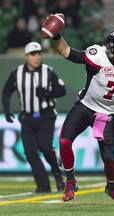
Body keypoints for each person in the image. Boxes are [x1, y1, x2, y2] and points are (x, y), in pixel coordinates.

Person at [46, 17, 114, 206]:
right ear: (111, 47)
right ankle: (70, 181)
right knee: (64, 141)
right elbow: (65, 51)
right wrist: (56, 35)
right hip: (85, 106)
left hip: (106, 114)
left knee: (109, 158)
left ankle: (111, 188)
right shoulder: (97, 56)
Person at [2, 42, 66, 193]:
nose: (37, 57)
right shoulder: (16, 73)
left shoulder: (48, 72)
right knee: (30, 152)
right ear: (26, 56)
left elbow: (61, 90)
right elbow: (6, 91)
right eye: (33, 54)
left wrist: (48, 94)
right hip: (27, 118)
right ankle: (43, 184)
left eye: (39, 54)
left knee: (45, 147)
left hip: (46, 116)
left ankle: (57, 173)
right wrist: (7, 110)